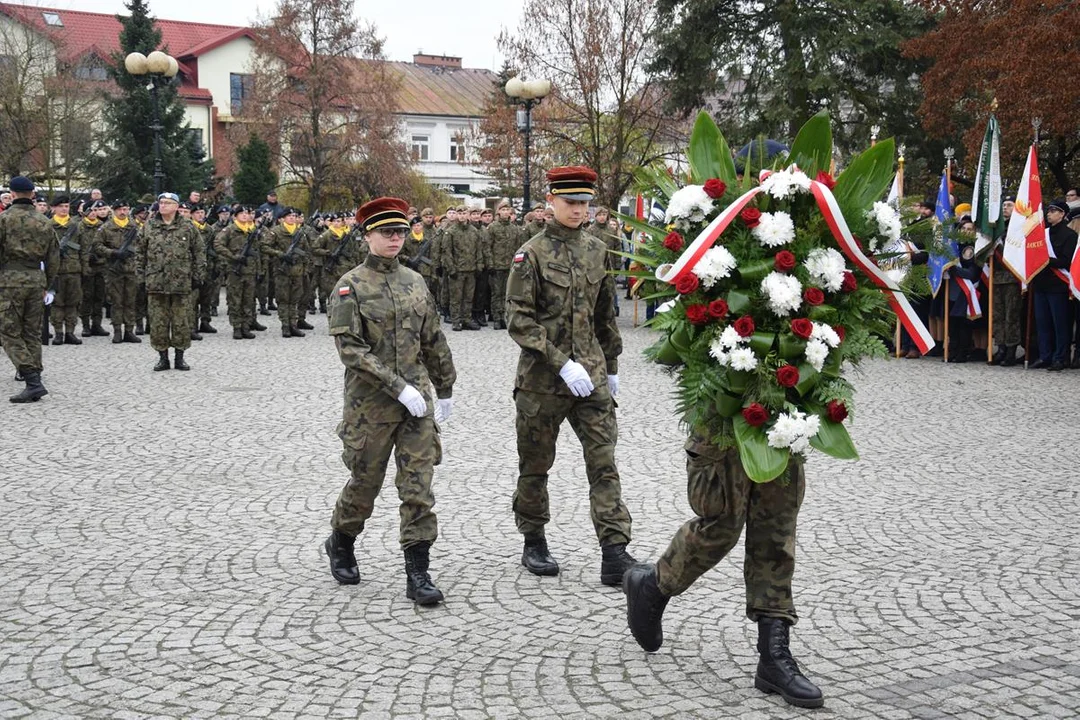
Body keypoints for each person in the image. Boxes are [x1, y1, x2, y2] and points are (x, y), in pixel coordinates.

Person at [504, 166, 636, 585]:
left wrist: (610, 366)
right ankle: (534, 539)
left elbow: (604, 316)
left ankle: (614, 551)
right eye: (571, 203)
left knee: (604, 463)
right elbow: (518, 319)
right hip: (543, 381)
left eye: (584, 203)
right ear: (551, 203)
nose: (579, 210)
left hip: (591, 379)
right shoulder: (532, 254)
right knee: (536, 465)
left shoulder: (598, 250)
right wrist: (561, 361)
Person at [323, 196, 456, 607]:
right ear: (367, 236)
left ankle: (418, 572)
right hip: (371, 405)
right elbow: (351, 351)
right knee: (365, 484)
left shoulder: (415, 282)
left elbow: (432, 337)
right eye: (386, 232)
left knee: (418, 487)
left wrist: (446, 386)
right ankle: (341, 540)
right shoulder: (350, 286)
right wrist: (397, 387)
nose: (395, 239)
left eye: (400, 231)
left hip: (417, 404)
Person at [0, 176, 59, 402]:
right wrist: (48, 284)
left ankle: (32, 379)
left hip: (9, 280)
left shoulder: (4, 219)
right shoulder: (44, 221)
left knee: (8, 331)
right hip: (36, 279)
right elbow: (54, 257)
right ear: (32, 194)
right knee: (32, 331)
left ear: (12, 194)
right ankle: (35, 376)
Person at [136, 192, 206, 371]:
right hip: (156, 282)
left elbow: (199, 251)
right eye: (161, 203)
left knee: (181, 321)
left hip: (181, 283)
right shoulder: (149, 226)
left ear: (176, 206)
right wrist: (140, 277)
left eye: (167, 203)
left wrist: (198, 275)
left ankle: (180, 357)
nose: (163, 206)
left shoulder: (188, 227)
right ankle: (162, 357)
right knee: (158, 322)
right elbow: (139, 253)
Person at [1030, 199, 1078, 371]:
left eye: (1053, 211)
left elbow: (1067, 261)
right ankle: (1045, 355)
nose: (1049, 214)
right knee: (1042, 323)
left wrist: (1046, 260)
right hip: (1041, 284)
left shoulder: (1070, 236)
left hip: (1058, 285)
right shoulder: (1043, 234)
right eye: (1048, 211)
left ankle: (1060, 357)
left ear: (1062, 214)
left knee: (1060, 324)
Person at [91, 199, 141, 344]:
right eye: (119, 209)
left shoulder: (135, 227)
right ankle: (118, 330)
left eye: (125, 209)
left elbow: (144, 245)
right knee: (116, 302)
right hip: (114, 270)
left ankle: (129, 330)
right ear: (113, 211)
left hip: (132, 269)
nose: (122, 212)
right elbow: (96, 246)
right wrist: (113, 253)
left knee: (130, 301)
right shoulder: (106, 228)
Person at [260, 207, 311, 337]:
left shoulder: (300, 232)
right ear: (282, 219)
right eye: (289, 216)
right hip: (282, 271)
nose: (292, 218)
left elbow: (306, 251)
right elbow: (264, 246)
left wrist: (305, 268)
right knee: (283, 300)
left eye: (294, 216)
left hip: (297, 271)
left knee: (294, 300)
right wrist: (280, 254)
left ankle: (293, 325)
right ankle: (285, 326)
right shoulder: (276, 232)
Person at [48, 196, 83, 346]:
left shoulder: (76, 226)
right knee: (57, 303)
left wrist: (84, 268)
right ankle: (58, 333)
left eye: (66, 206)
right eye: (61, 206)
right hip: (55, 270)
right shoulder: (48, 226)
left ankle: (70, 332)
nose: (64, 209)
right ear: (53, 208)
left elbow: (84, 248)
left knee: (73, 302)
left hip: (74, 269)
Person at [484, 199, 521, 330]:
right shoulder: (493, 227)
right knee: (496, 293)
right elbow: (487, 246)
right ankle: (497, 318)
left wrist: (518, 265)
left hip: (510, 266)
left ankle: (505, 317)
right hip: (496, 265)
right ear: (498, 212)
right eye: (503, 210)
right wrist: (490, 264)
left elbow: (518, 248)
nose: (505, 212)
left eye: (507, 210)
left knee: (507, 293)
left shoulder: (514, 229)